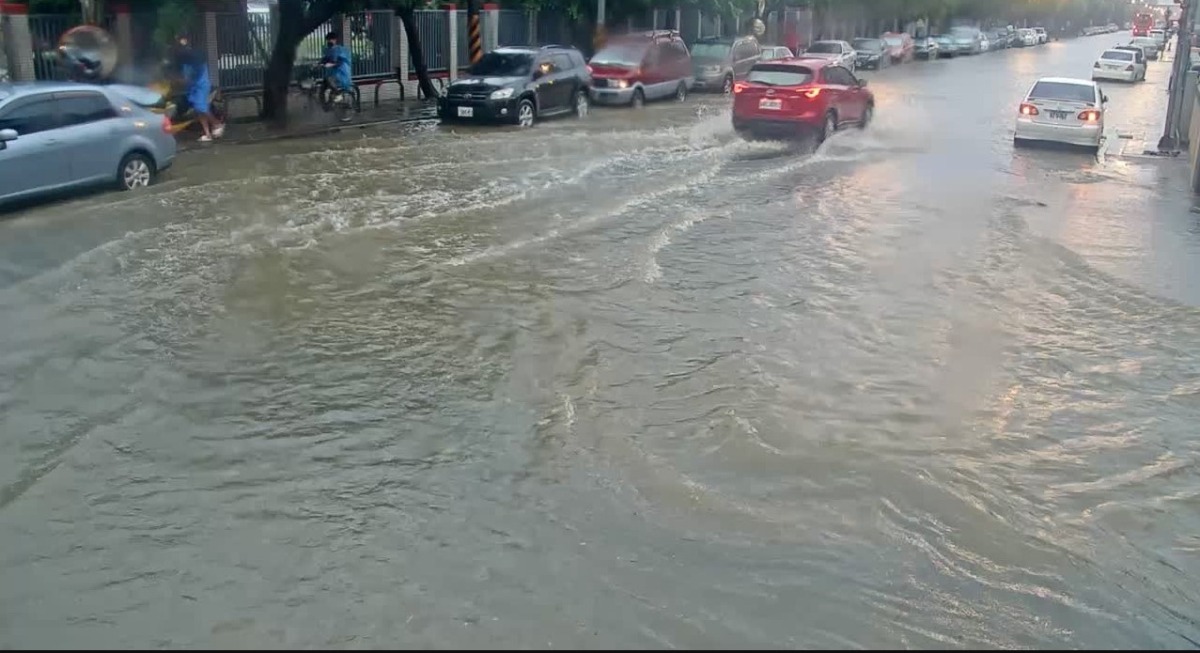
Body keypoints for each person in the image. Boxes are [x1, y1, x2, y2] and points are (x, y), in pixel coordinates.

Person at [173, 35, 223, 142]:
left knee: (201, 107)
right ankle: (207, 134)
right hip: (193, 87)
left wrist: (184, 81)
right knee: (198, 110)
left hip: (201, 86)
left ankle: (217, 124)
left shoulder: (196, 60)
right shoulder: (185, 62)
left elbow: (192, 77)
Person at [322, 31, 353, 107]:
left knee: (329, 79)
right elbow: (324, 59)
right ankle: (326, 104)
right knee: (323, 86)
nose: (329, 41)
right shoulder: (327, 50)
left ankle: (339, 95)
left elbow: (339, 62)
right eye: (328, 40)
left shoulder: (340, 50)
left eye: (331, 39)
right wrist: (318, 64)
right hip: (333, 73)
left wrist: (331, 64)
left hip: (342, 73)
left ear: (335, 40)